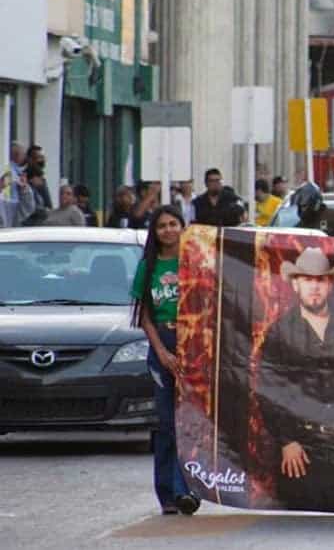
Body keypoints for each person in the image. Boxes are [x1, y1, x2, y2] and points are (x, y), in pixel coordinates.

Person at [256, 247, 334, 512]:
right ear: (296, 284)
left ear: (330, 285)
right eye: (308, 280)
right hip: (300, 448)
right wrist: (287, 441)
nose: (314, 287)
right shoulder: (280, 332)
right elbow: (269, 388)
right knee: (300, 522)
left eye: (320, 280)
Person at [130, 205, 200, 516]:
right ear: (155, 232)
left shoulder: (196, 263)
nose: (169, 230)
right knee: (167, 423)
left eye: (174, 224)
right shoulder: (148, 267)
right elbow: (144, 316)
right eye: (162, 226)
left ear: (183, 227)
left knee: (191, 422)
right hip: (163, 345)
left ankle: (186, 489)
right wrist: (161, 352)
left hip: (194, 346)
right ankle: (168, 493)